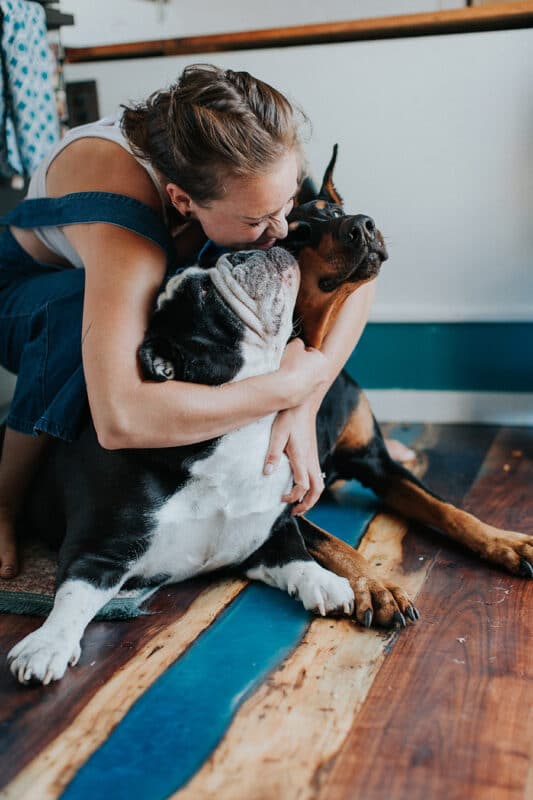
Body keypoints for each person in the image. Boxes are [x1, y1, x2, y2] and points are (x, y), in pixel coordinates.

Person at [0, 63, 413, 579]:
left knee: (312, 248)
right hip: (29, 298)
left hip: (169, 252)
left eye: (285, 204)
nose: (280, 227)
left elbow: (361, 275)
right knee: (72, 316)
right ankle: (5, 502)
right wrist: (284, 387)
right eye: (259, 219)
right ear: (182, 199)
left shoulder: (255, 162)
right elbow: (120, 419)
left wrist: (306, 405)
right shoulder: (124, 213)